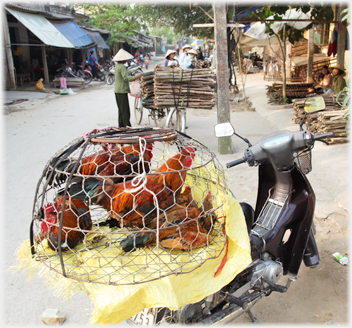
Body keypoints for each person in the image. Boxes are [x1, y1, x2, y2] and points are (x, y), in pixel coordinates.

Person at [113, 49, 143, 128]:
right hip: (122, 91)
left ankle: (121, 125)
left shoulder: (117, 66)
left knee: (121, 109)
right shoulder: (122, 66)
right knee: (125, 110)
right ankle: (127, 125)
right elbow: (126, 78)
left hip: (117, 90)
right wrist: (136, 76)